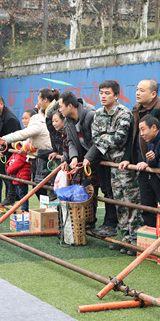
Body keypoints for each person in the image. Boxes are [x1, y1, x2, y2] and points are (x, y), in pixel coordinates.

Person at [85, 80, 143, 254]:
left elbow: (120, 139)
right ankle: (125, 239)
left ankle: (135, 241)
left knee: (131, 202)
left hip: (125, 165)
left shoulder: (123, 113)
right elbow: (95, 138)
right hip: (112, 165)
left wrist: (104, 137)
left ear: (116, 95)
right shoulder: (98, 113)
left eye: (107, 93)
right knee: (119, 203)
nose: (103, 96)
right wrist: (107, 138)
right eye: (101, 92)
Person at [129, 79, 160, 228]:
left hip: (158, 165)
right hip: (143, 164)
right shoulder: (136, 108)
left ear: (153, 94)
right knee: (146, 203)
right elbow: (133, 136)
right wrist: (129, 159)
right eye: (137, 89)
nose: (137, 93)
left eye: (142, 90)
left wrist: (151, 161)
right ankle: (150, 234)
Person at [120, 115, 160, 224]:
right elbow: (152, 162)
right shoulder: (150, 140)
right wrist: (149, 161)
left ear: (154, 127)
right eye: (140, 130)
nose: (141, 134)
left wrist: (151, 161)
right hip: (159, 178)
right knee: (149, 205)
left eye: (143, 129)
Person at [59, 91, 101, 231]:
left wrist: (89, 157)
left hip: (98, 158)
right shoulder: (68, 120)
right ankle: (81, 221)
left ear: (70, 106)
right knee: (80, 187)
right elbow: (71, 141)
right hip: (83, 159)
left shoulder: (90, 115)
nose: (60, 110)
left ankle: (97, 222)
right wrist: (74, 157)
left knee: (100, 190)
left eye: (61, 106)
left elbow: (99, 141)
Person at [0, 95, 21, 205]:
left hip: (11, 151)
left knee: (9, 175)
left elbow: (14, 138)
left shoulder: (10, 119)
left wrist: (4, 149)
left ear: (1, 104)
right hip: (1, 149)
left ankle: (10, 199)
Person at [6, 144, 32, 209]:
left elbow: (17, 163)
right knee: (21, 194)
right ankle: (23, 209)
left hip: (21, 177)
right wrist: (9, 163)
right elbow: (11, 159)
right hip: (18, 176)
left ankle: (24, 210)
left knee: (22, 195)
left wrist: (9, 170)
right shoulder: (16, 151)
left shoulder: (21, 152)